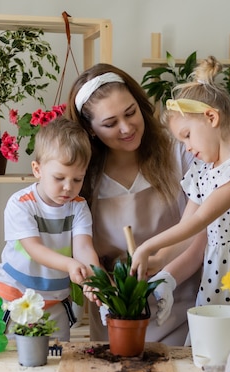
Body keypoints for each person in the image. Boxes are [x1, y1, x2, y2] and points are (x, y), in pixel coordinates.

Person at [130, 56, 230, 340]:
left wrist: (146, 246)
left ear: (211, 118)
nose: (187, 148)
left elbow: (200, 220)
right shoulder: (203, 170)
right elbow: (187, 234)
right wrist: (159, 262)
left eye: (187, 136)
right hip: (217, 274)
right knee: (212, 346)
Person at [66, 63, 206, 345]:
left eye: (131, 113)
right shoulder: (84, 174)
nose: (127, 127)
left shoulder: (180, 149)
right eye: (110, 123)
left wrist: (165, 278)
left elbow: (201, 228)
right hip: (116, 310)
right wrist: (105, 289)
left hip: (181, 299)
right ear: (90, 130)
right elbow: (79, 243)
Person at [0, 116, 101, 342]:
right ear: (37, 169)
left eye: (77, 179)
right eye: (59, 177)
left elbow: (83, 247)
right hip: (17, 294)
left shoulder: (79, 207)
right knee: (19, 354)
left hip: (56, 298)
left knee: (57, 354)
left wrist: (93, 278)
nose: (68, 187)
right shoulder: (21, 204)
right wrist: (71, 264)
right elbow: (35, 249)